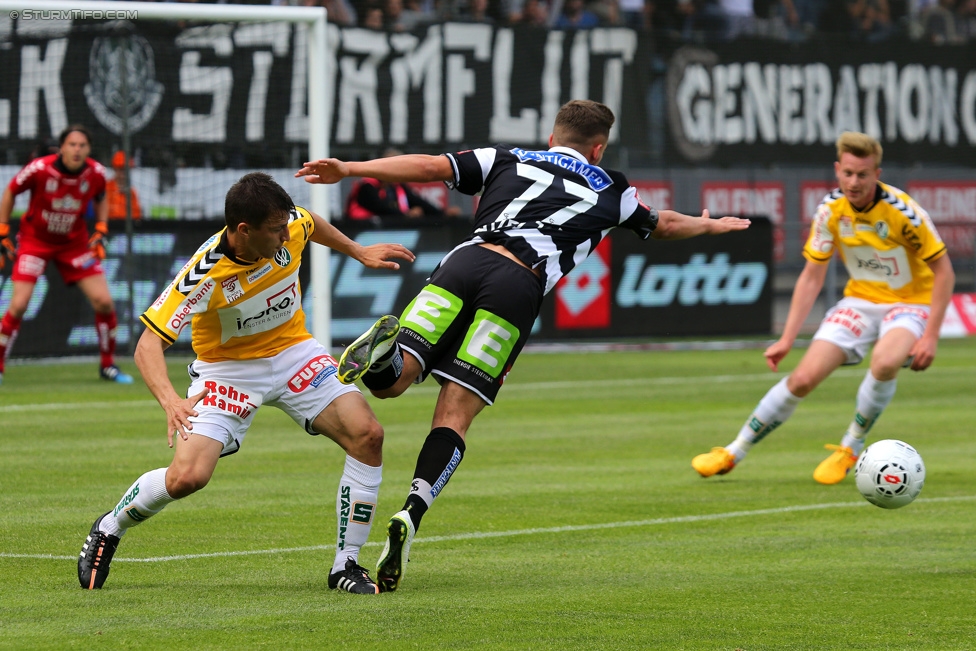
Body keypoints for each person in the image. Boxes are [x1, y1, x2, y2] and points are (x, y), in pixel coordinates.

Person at [296, 99, 751, 592]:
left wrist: (349, 168)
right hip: (518, 285)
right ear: (597, 149)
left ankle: (385, 358)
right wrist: (711, 225)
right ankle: (412, 510)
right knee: (455, 415)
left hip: (463, 264)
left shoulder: (509, 157)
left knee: (392, 385)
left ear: (552, 138)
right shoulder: (613, 188)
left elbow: (429, 167)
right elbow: (665, 224)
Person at [77, 172, 415, 594]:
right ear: (243, 230)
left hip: (295, 353)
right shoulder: (204, 273)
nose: (285, 237)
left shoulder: (288, 227)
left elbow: (309, 220)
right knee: (188, 477)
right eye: (275, 230)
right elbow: (147, 345)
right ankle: (110, 527)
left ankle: (346, 564)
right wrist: (170, 402)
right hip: (227, 370)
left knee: (368, 435)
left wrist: (357, 250)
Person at [691, 131, 954, 484]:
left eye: (862, 175)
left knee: (886, 361)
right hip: (860, 301)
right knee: (801, 378)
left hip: (910, 304)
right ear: (837, 170)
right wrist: (786, 338)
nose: (854, 182)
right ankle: (733, 451)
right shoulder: (830, 210)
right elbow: (812, 277)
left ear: (877, 173)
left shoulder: (903, 212)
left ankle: (851, 446)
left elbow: (945, 272)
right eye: (847, 173)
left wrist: (931, 337)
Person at [0, 125, 133, 387]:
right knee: (18, 304)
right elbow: (11, 191)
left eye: (82, 145)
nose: (77, 149)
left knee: (104, 301)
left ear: (89, 149)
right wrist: (3, 229)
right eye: (72, 144)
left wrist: (101, 228)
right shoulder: (40, 168)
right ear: (62, 147)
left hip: (74, 244)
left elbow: (102, 196)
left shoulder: (95, 172)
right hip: (35, 241)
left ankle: (108, 366)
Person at [344, 149, 463, 224]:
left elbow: (418, 202)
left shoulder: (397, 186)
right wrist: (406, 215)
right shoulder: (367, 186)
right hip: (362, 229)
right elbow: (380, 208)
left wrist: (443, 213)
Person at [106, 151, 142, 220]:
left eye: (125, 170)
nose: (123, 173)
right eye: (120, 169)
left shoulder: (132, 192)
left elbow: (137, 216)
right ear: (115, 169)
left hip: (126, 229)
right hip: (109, 228)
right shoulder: (105, 189)